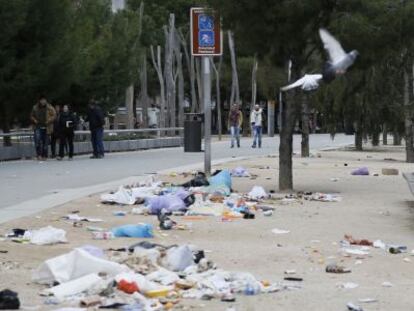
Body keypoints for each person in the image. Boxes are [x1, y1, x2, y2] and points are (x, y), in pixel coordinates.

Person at [30, 95, 56, 160]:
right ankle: (39, 155)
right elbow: (31, 116)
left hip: (47, 127)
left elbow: (54, 115)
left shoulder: (50, 107)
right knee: (37, 141)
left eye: (44, 100)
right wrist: (34, 120)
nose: (43, 101)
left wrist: (49, 120)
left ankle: (45, 155)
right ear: (39, 100)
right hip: (37, 127)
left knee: (45, 143)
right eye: (42, 100)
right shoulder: (35, 107)